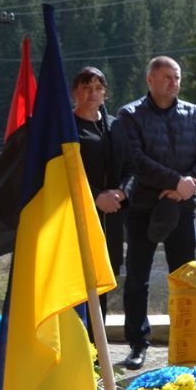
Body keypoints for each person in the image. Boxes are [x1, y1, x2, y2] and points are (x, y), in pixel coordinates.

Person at [118, 56, 196, 370]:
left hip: (182, 208)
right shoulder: (130, 115)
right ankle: (137, 343)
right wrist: (175, 180)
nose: (173, 84)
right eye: (166, 78)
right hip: (142, 210)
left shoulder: (195, 113)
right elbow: (135, 159)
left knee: (185, 279)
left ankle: (185, 341)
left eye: (176, 78)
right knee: (137, 278)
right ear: (150, 80)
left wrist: (185, 187)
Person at [71, 67, 132, 313]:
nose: (92, 93)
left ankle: (97, 349)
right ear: (75, 92)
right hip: (76, 217)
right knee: (77, 285)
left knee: (101, 286)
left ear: (105, 93)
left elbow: (132, 166)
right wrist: (96, 196)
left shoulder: (115, 127)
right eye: (86, 87)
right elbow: (66, 171)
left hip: (110, 219)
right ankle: (76, 348)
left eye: (98, 88)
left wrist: (121, 192)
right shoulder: (66, 127)